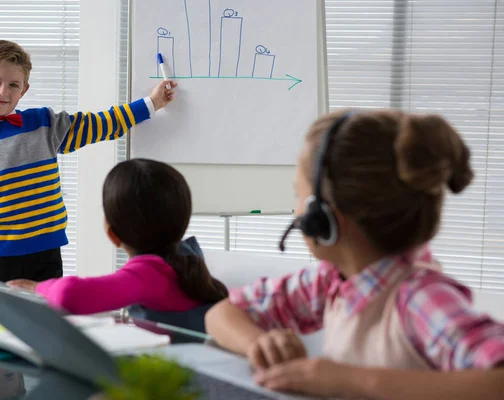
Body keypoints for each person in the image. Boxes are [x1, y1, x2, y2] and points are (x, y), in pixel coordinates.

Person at [205, 109, 504, 399]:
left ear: (324, 218)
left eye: (299, 196)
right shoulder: (331, 282)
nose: (295, 209)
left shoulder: (417, 297)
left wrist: (350, 380)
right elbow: (221, 314)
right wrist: (259, 343)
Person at [0, 40, 177, 282]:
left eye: (13, 84)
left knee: (45, 319)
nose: (4, 91)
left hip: (47, 256)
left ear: (24, 90)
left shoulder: (44, 124)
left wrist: (152, 103)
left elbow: (100, 124)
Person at [7, 158, 228, 317]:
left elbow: (69, 295)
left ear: (112, 233)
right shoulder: (186, 257)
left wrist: (39, 288)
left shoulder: (149, 273)